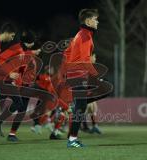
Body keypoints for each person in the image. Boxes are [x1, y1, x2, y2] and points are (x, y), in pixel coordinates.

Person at [0, 29, 40, 143]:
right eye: (33, 42)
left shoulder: (23, 52)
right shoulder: (16, 49)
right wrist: (8, 73)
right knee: (18, 104)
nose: (34, 44)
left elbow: (19, 68)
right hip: (3, 80)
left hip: (7, 81)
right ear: (29, 42)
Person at [62, 9, 99, 148]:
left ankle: (72, 138)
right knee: (80, 107)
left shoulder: (81, 34)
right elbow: (84, 60)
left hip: (75, 74)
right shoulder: (85, 36)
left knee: (81, 106)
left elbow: (67, 53)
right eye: (95, 19)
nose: (97, 21)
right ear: (88, 21)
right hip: (78, 75)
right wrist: (95, 76)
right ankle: (72, 139)